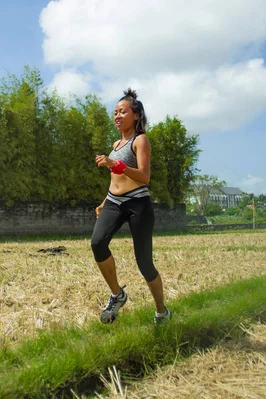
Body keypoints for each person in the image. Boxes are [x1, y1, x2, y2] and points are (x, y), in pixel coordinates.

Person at [91, 88, 171, 325]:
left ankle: (161, 311)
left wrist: (115, 164)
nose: (117, 115)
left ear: (136, 115)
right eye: (115, 112)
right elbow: (116, 179)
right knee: (97, 243)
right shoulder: (116, 143)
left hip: (138, 203)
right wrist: (105, 202)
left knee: (144, 263)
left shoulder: (141, 140)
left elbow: (144, 177)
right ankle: (117, 294)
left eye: (122, 111)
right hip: (114, 202)